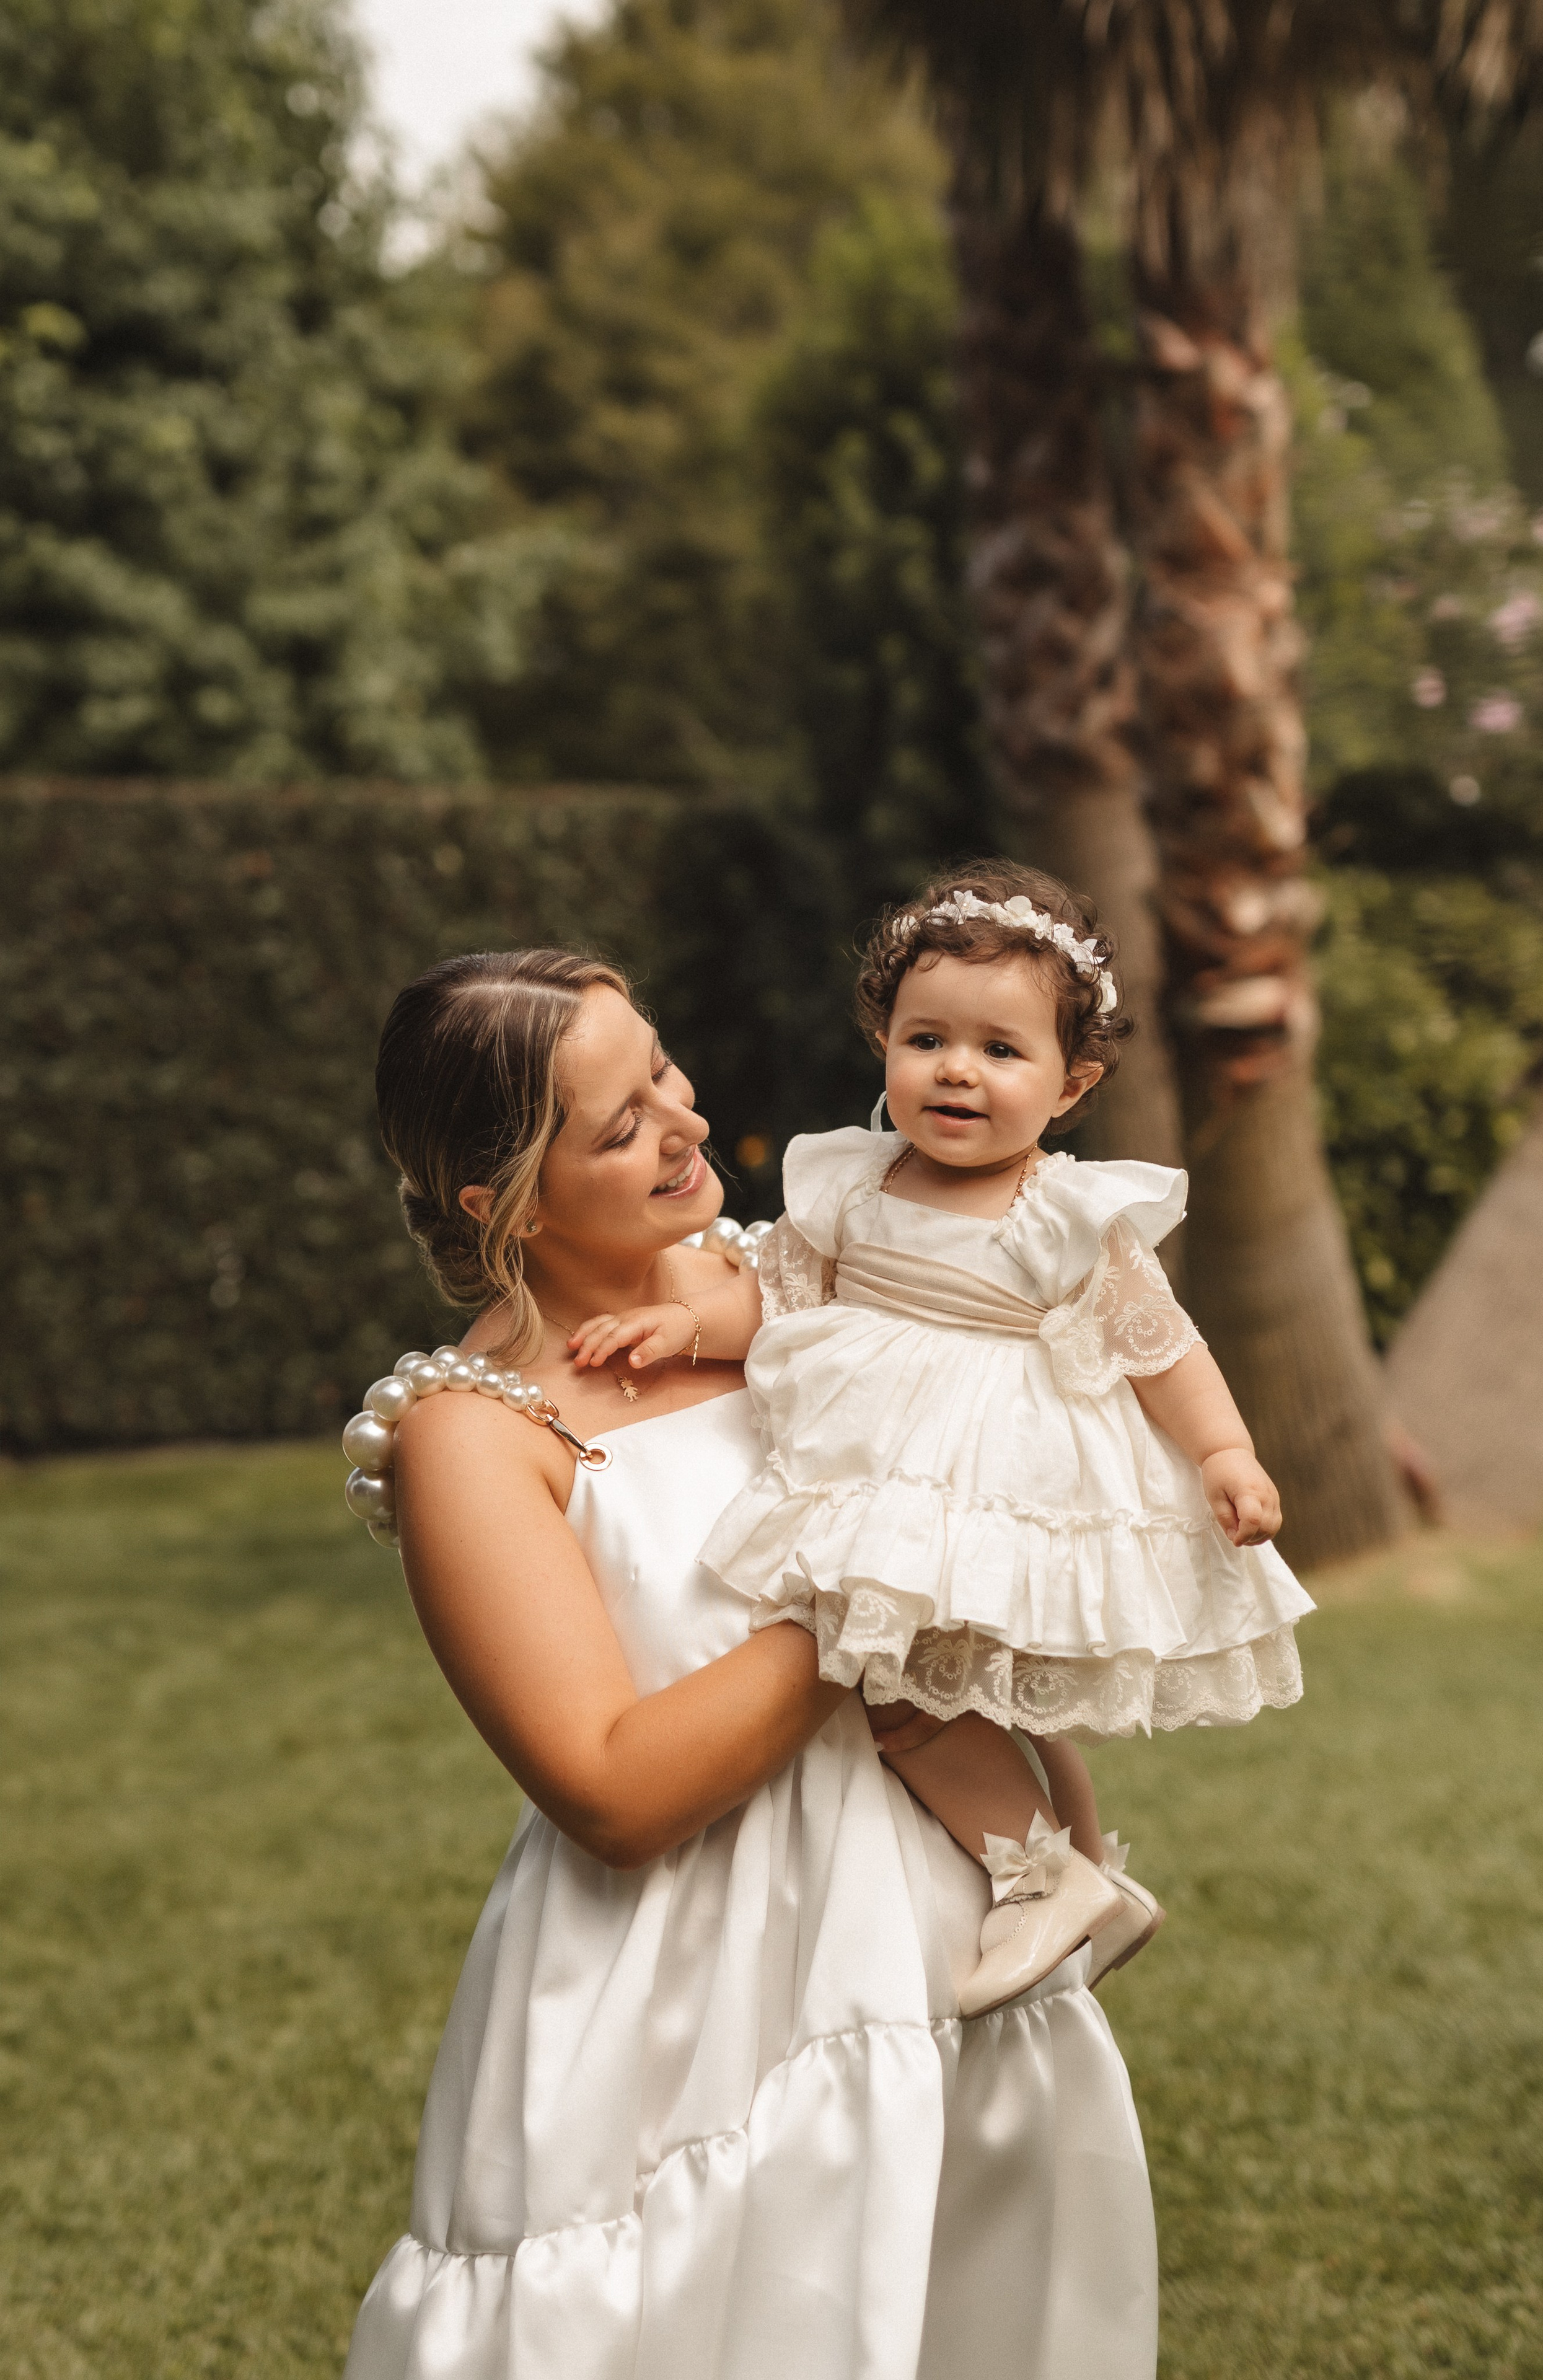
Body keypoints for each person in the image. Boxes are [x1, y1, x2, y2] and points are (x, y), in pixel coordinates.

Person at [341, 944, 1158, 2380]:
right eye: (622, 1125)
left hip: (936, 1929)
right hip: (685, 1998)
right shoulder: (474, 1436)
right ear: (498, 1199)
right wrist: (877, 1578)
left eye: (662, 1069)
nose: (687, 1121)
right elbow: (612, 1790)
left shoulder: (794, 1275)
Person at [566, 863, 1316, 2020]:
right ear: (884, 1042)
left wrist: (1224, 1453)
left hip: (988, 1477)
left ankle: (1047, 1875)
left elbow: (1158, 1343)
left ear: (1072, 1084)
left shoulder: (1059, 1211)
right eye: (927, 1040)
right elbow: (777, 1293)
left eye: (1000, 1051)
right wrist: (687, 1325)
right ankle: (1078, 1869)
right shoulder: (856, 1182)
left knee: (907, 1697)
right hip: (883, 1466)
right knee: (943, 1690)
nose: (957, 1070)